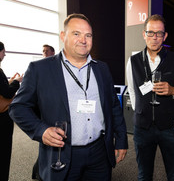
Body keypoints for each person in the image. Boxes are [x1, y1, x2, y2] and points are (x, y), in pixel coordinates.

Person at [9, 13, 128, 181]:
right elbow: (18, 107)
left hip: (99, 153)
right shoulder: (40, 70)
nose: (83, 40)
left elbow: (114, 106)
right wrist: (40, 130)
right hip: (62, 154)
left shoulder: (102, 69)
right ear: (63, 36)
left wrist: (122, 139)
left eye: (88, 35)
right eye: (76, 34)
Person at [126, 14, 174, 180]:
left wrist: (173, 90)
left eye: (159, 33)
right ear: (144, 34)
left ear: (165, 36)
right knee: (143, 174)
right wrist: (139, 110)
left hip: (169, 127)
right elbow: (132, 90)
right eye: (150, 33)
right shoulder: (133, 61)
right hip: (142, 128)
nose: (154, 37)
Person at [0, 41, 23, 181]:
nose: (4, 54)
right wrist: (17, 81)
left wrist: (9, 82)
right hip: (2, 119)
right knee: (3, 152)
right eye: (3, 51)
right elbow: (7, 93)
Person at [32, 44, 55, 180]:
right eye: (43, 51)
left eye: (47, 51)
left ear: (53, 52)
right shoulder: (38, 68)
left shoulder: (58, 67)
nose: (44, 53)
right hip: (43, 112)